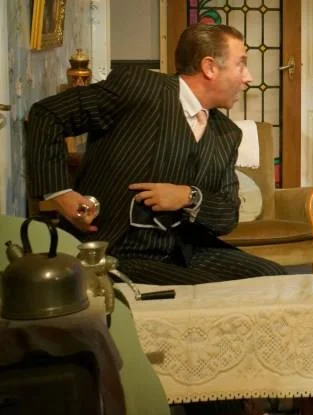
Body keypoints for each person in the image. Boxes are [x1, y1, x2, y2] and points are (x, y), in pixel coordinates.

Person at [26, 23, 287, 285]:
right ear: (209, 67)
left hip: (185, 250)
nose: (248, 77)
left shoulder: (226, 134)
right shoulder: (139, 89)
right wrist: (59, 193)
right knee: (204, 290)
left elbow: (227, 215)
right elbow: (48, 114)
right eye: (241, 64)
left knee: (273, 278)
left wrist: (189, 196)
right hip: (118, 249)